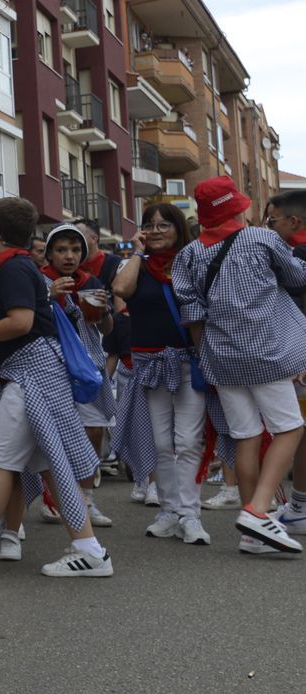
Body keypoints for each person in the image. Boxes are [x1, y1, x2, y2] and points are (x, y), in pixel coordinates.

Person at [0, 197, 112, 578]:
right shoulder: (13, 266)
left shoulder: (11, 268)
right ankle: (89, 550)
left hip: (31, 373)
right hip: (30, 373)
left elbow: (21, 322)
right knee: (49, 466)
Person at [173, 176, 306, 555]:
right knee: (290, 428)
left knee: (246, 435)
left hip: (220, 358)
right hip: (267, 352)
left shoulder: (188, 255)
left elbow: (192, 313)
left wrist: (206, 356)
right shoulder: (262, 240)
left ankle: (252, 536)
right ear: (238, 206)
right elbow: (298, 278)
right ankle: (259, 510)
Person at [110, 204, 210, 546]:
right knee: (161, 442)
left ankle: (189, 514)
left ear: (178, 228)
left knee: (188, 440)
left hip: (186, 362)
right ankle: (168, 511)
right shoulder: (137, 266)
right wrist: (137, 253)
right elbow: (121, 291)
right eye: (149, 226)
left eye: (164, 225)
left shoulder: (191, 262)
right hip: (149, 365)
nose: (155, 231)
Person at [42, 222, 116, 528]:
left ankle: (86, 500)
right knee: (49, 435)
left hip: (87, 366)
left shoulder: (91, 280)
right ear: (49, 254)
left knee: (93, 429)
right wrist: (50, 295)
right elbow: (28, 321)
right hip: (51, 365)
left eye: (75, 250)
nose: (69, 256)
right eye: (61, 250)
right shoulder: (37, 280)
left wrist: (105, 311)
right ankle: (50, 498)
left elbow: (106, 330)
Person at [262, 189, 306, 539]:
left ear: (293, 221)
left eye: (271, 220)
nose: (267, 226)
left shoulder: (298, 255)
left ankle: (300, 508)